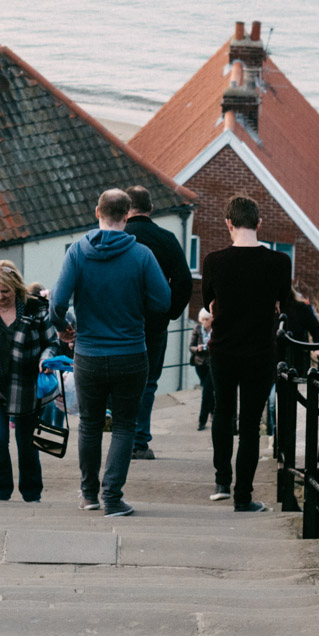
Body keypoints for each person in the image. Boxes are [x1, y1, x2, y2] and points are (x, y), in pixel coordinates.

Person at [50, 188, 170, 517]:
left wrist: (63, 329)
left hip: (88, 353)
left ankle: (89, 494)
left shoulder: (77, 252)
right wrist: (136, 310)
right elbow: (163, 301)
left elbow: (57, 303)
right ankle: (112, 498)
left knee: (89, 425)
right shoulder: (141, 255)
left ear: (97, 211)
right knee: (123, 426)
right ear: (128, 215)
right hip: (131, 352)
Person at [203, 197, 293, 513]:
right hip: (259, 351)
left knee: (223, 413)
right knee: (251, 425)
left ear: (229, 223)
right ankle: (243, 496)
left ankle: (220, 482)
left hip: (223, 350)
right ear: (259, 224)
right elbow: (285, 304)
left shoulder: (213, 260)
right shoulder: (280, 262)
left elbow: (208, 303)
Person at [0, 260, 56, 501]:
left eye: (5, 291)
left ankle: (32, 494)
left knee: (26, 444)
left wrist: (45, 360)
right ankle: (0, 493)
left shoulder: (35, 308)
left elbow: (52, 343)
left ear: (16, 287)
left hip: (25, 387)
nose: (0, 296)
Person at [124, 184, 193, 460]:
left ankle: (121, 437)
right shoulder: (166, 239)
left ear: (126, 209)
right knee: (148, 381)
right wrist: (170, 312)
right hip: (154, 322)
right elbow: (184, 282)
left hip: (120, 320)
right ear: (151, 208)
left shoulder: (118, 236)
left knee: (121, 380)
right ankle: (139, 441)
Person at [189, 308, 215, 431]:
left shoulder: (215, 330)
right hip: (200, 364)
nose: (205, 322)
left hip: (211, 363)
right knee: (207, 389)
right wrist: (197, 348)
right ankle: (213, 410)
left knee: (207, 391)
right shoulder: (197, 329)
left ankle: (202, 420)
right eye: (203, 320)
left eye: (207, 319)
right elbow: (191, 347)